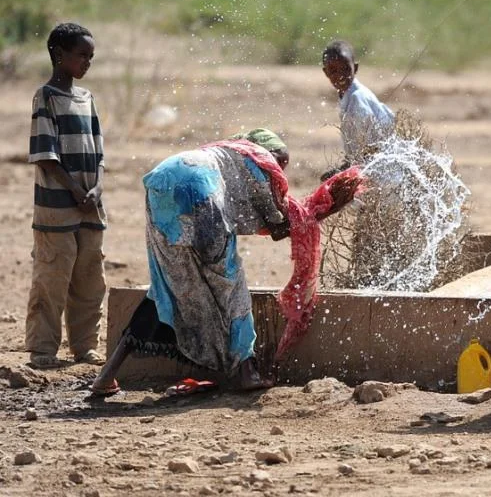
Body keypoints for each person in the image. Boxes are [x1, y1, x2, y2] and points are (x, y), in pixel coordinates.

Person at [90, 129, 359, 396]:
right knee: (231, 286)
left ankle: (106, 376)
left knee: (165, 286)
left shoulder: (223, 153)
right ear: (268, 151)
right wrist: (324, 207)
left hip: (162, 183)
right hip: (201, 195)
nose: (280, 172)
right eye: (281, 162)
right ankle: (246, 372)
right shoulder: (260, 159)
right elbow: (279, 225)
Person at [26, 22, 107, 370]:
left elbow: (99, 152)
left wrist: (96, 188)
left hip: (90, 205)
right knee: (52, 277)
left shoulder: (87, 98)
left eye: (90, 57)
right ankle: (43, 350)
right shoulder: (45, 97)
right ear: (59, 55)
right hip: (57, 207)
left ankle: (85, 347)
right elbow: (46, 155)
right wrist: (75, 191)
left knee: (89, 277)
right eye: (81, 56)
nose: (86, 63)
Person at [320, 39, 395, 181]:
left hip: (382, 171)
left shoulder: (357, 100)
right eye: (333, 70)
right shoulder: (347, 94)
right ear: (326, 72)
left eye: (345, 69)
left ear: (356, 68)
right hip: (371, 166)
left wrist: (343, 170)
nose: (340, 75)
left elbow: (370, 150)